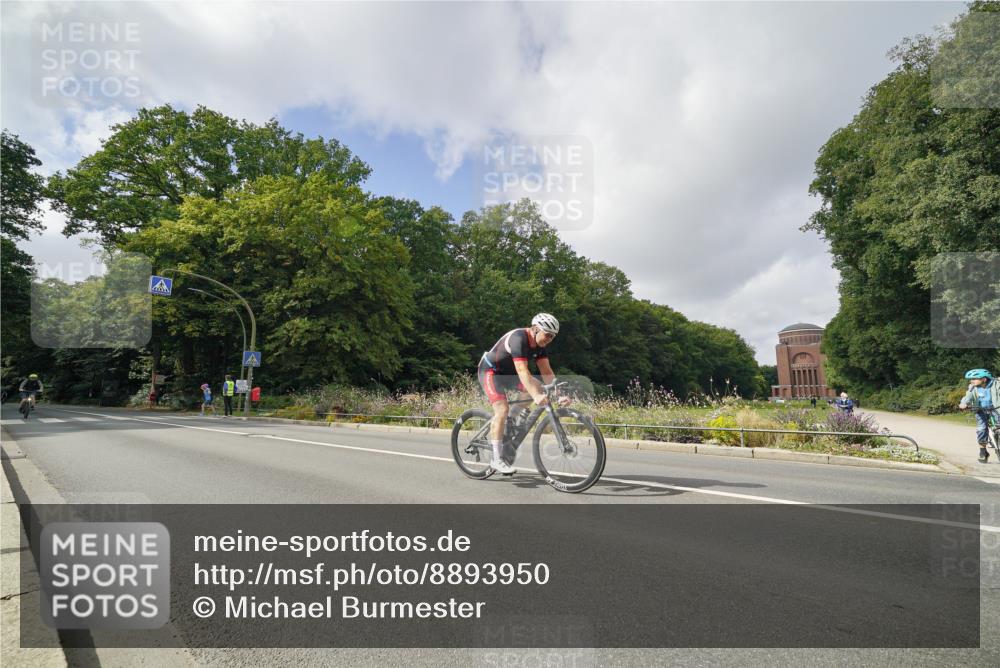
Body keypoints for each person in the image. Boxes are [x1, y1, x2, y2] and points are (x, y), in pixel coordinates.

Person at [478, 313, 570, 475]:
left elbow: (546, 372)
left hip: (509, 374)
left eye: (553, 337)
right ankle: (496, 459)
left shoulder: (540, 347)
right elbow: (522, 370)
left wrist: (559, 393)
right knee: (502, 410)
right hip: (490, 371)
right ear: (535, 329)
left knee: (540, 387)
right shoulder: (519, 338)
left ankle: (512, 421)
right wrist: (535, 396)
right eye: (547, 334)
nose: (549, 339)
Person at [959, 368, 999, 463]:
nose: (971, 381)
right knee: (981, 429)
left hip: (996, 409)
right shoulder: (973, 387)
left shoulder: (996, 384)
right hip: (981, 410)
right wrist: (963, 403)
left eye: (974, 378)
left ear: (984, 379)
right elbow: (968, 397)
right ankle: (983, 452)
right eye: (971, 379)